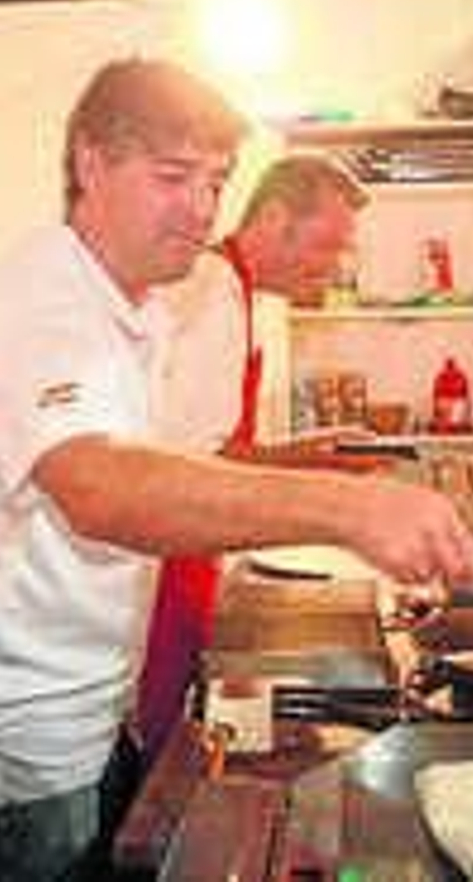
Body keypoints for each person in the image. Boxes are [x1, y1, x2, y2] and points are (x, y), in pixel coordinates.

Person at [0, 58, 473, 882]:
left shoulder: (127, 306)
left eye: (216, 182)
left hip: (89, 704)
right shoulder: (40, 303)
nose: (202, 208)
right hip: (21, 740)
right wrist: (347, 509)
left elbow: (166, 464)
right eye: (173, 176)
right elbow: (99, 487)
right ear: (89, 163)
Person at [136, 153, 375, 755]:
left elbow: (222, 447)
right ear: (273, 217)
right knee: (163, 755)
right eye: (326, 246)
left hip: (189, 559)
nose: (334, 267)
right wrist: (333, 493)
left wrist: (313, 454)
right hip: (165, 569)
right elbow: (199, 467)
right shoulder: (214, 289)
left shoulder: (235, 292)